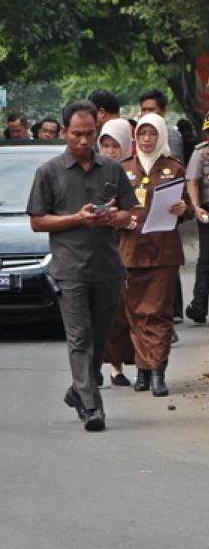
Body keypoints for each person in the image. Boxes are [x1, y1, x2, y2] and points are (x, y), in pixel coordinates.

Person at [25, 99, 138, 432]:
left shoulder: (112, 169)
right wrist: (76, 218)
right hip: (69, 269)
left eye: (90, 134)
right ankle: (92, 406)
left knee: (101, 337)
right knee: (80, 338)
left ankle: (78, 389)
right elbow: (37, 221)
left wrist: (110, 216)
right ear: (64, 133)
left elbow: (130, 213)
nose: (84, 141)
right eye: (77, 134)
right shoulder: (48, 172)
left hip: (107, 266)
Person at [107, 114, 191, 397]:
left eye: (152, 134)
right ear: (135, 138)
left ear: (160, 137)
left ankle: (157, 371)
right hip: (130, 252)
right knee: (135, 314)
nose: (146, 139)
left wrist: (184, 210)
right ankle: (142, 369)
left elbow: (188, 207)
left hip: (163, 253)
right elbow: (111, 210)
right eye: (142, 134)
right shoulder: (124, 169)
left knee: (158, 313)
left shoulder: (173, 168)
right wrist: (121, 219)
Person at [95, 118, 137, 388]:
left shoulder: (132, 172)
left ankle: (117, 366)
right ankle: (93, 365)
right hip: (97, 249)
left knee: (121, 312)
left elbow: (135, 208)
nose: (110, 151)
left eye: (116, 145)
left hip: (129, 250)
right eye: (106, 145)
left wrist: (127, 218)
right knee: (95, 313)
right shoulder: (94, 173)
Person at [185, 118, 209, 324]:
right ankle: (199, 304)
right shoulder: (201, 153)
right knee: (206, 258)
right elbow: (193, 182)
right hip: (208, 210)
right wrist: (196, 206)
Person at [138, 88, 184, 163]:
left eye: (151, 110)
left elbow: (174, 164)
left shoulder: (170, 133)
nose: (146, 113)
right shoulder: (139, 131)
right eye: (144, 110)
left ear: (163, 111)